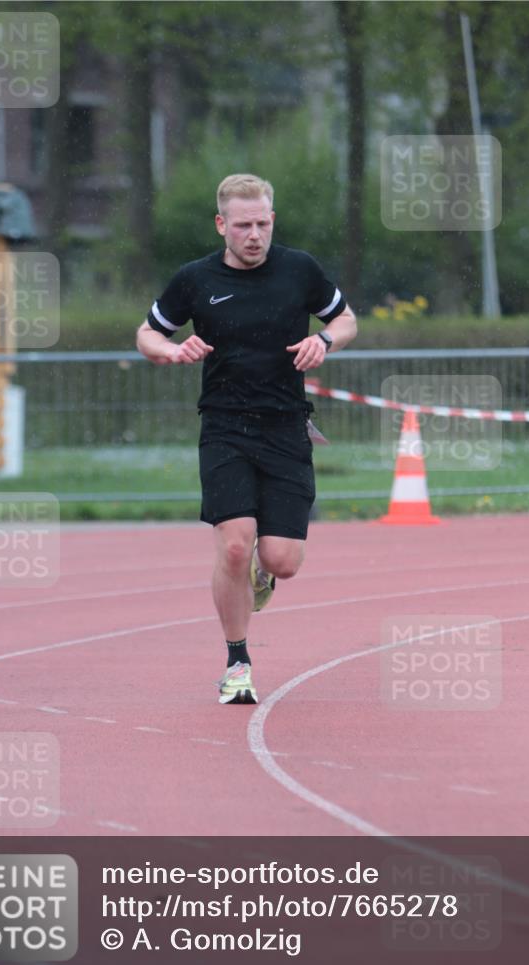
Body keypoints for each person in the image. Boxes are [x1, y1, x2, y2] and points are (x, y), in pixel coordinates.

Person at [136, 173, 357, 705]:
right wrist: (169, 351)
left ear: (272, 220)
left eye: (262, 223)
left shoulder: (299, 269)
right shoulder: (195, 279)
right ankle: (237, 661)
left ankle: (264, 574)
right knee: (234, 547)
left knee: (281, 560)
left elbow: (346, 319)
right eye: (242, 226)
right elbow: (147, 333)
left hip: (286, 428)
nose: (253, 234)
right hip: (225, 429)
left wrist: (324, 339)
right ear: (222, 225)